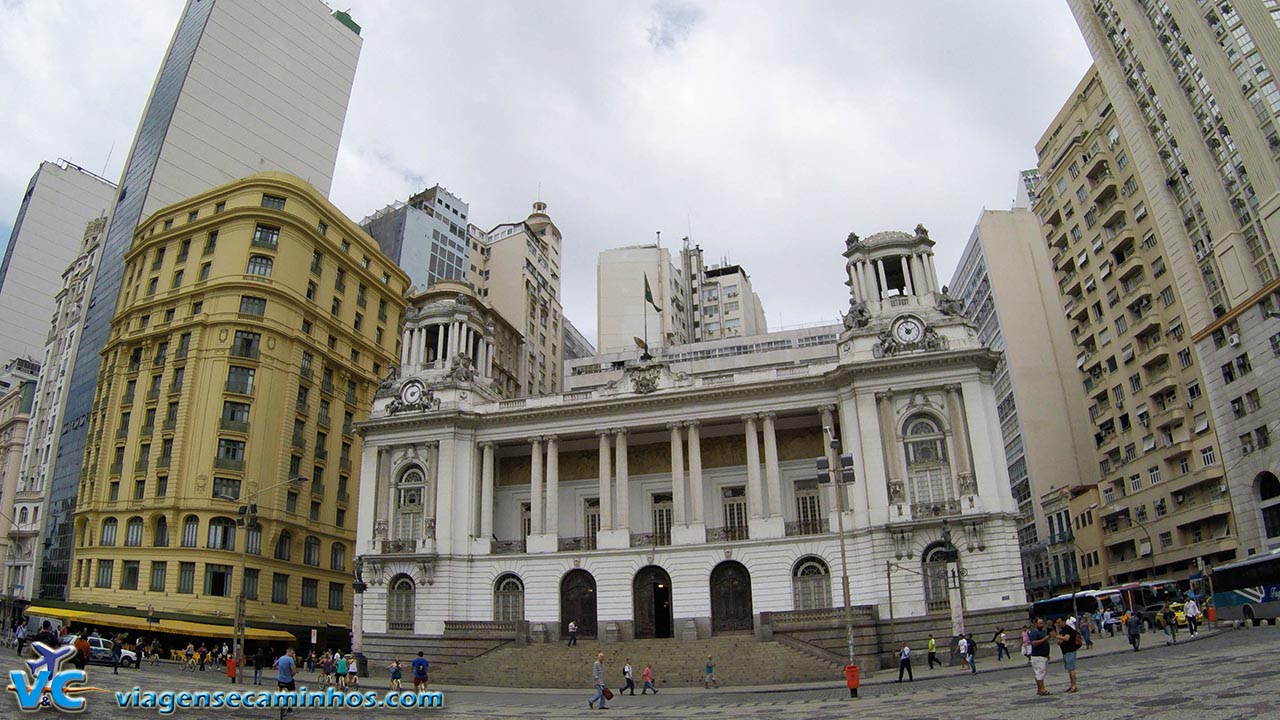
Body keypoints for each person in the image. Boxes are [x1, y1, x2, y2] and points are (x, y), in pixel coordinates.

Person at [1053, 617, 1081, 693]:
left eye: (1059, 622)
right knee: (1069, 669)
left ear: (1063, 621)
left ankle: (1074, 686)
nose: (1058, 624)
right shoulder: (1063, 630)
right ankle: (1072, 685)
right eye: (1057, 623)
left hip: (1070, 651)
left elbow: (1066, 638)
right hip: (1066, 651)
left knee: (1071, 669)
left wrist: (1056, 636)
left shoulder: (1067, 629)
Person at [1027, 617, 1053, 696]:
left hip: (1043, 655)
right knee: (1040, 673)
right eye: (1040, 623)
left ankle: (1039, 688)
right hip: (1038, 656)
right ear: (1035, 624)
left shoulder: (1042, 631)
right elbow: (1034, 643)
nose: (1042, 625)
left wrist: (1047, 654)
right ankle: (1042, 689)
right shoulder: (1034, 633)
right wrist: (1044, 639)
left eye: (1042, 623)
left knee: (1040, 673)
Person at [275, 649, 297, 716]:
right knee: (292, 692)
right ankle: (290, 707)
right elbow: (294, 671)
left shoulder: (281, 658)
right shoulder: (290, 659)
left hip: (280, 680)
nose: (293, 655)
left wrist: (280, 670)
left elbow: (274, 665)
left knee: (279, 689)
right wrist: (291, 675)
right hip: (288, 681)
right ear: (289, 652)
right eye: (292, 653)